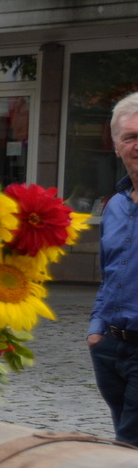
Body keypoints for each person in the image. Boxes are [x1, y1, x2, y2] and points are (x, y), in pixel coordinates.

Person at [91, 93, 138, 444]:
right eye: (130, 137)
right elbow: (109, 276)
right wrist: (96, 330)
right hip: (110, 348)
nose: (137, 145)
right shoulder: (116, 206)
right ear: (117, 146)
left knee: (128, 443)